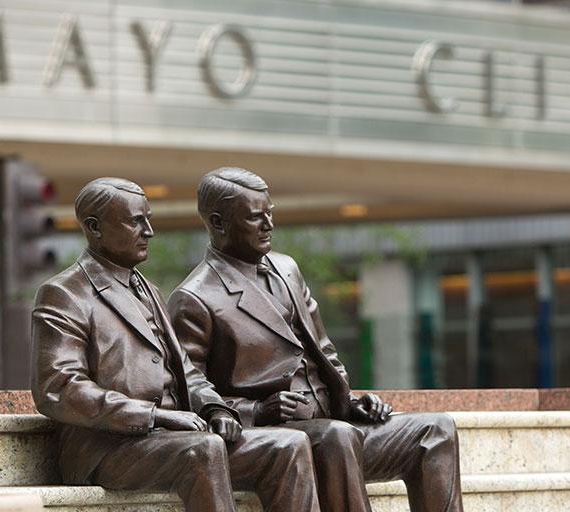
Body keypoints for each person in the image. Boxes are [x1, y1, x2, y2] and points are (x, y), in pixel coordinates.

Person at [168, 167, 465, 512]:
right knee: (337, 437)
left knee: (436, 429)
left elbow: (324, 350)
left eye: (270, 213)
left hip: (334, 425)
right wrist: (257, 411)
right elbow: (187, 388)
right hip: (281, 437)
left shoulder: (287, 269)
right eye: (254, 217)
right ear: (218, 223)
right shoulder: (195, 297)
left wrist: (350, 401)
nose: (268, 225)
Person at [31, 177, 320, 512]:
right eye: (135, 222)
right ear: (94, 228)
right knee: (203, 449)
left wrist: (215, 409)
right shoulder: (64, 294)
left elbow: (187, 371)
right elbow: (59, 388)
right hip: (108, 447)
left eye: (148, 219)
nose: (149, 231)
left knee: (288, 445)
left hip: (171, 440)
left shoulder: (148, 290)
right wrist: (154, 417)